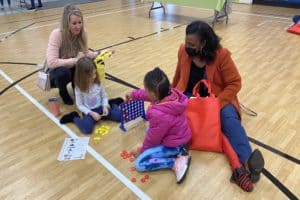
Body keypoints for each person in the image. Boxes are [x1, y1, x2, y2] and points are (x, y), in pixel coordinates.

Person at [172, 20, 265, 184]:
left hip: (218, 98)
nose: (187, 46)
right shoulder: (183, 50)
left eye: (192, 44)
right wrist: (170, 97)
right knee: (172, 118)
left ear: (204, 42)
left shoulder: (221, 55)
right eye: (186, 42)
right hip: (189, 96)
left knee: (229, 122)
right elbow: (178, 78)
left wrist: (216, 104)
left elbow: (235, 83)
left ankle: (248, 161)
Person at [127, 67, 192, 184]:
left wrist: (141, 149)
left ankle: (176, 162)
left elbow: (153, 139)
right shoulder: (169, 93)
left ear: (154, 93)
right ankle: (179, 153)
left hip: (175, 145)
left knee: (139, 164)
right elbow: (146, 95)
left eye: (147, 90)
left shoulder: (159, 115)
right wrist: (132, 94)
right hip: (181, 136)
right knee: (150, 129)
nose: (145, 93)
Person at [46, 4, 98, 105]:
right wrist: (75, 60)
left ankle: (77, 89)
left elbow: (85, 53)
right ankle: (63, 91)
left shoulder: (83, 33)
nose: (78, 26)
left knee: (89, 62)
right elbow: (51, 62)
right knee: (63, 73)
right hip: (56, 71)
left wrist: (99, 53)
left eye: (80, 22)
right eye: (74, 23)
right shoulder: (57, 34)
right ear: (66, 23)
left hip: (73, 66)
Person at [59, 57, 123, 134]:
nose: (94, 77)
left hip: (101, 108)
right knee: (87, 129)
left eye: (95, 73)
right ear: (82, 77)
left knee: (120, 117)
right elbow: (80, 105)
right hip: (89, 112)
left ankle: (111, 104)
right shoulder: (78, 88)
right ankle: (74, 117)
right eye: (90, 75)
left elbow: (104, 96)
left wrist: (105, 106)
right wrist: (91, 113)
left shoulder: (98, 82)